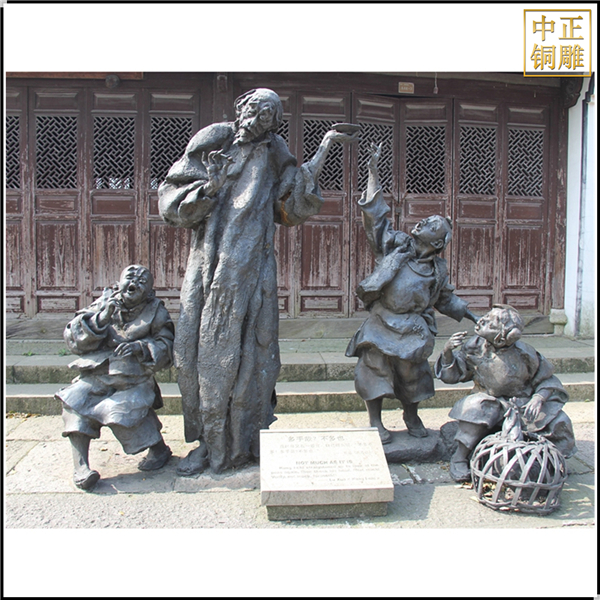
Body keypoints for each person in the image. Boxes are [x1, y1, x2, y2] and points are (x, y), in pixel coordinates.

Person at [158, 88, 358, 475]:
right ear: (240, 108)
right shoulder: (214, 139)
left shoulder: (275, 151)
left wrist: (325, 148)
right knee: (200, 354)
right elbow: (171, 202)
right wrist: (210, 187)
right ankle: (208, 444)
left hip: (254, 270)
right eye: (253, 110)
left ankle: (247, 440)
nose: (256, 119)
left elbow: (290, 203)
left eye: (267, 115)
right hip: (210, 268)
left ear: (274, 124)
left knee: (255, 357)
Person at [346, 143, 478, 445]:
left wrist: (472, 315)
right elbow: (376, 219)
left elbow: (445, 298)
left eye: (431, 225)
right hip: (381, 322)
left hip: (414, 328)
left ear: (437, 243)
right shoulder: (395, 246)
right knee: (373, 368)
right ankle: (375, 422)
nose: (422, 222)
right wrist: (373, 172)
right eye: (425, 220)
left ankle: (411, 415)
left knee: (413, 374)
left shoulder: (437, 270)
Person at [56, 265, 174, 490]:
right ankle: (81, 467)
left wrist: (141, 347)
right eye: (130, 277)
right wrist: (101, 319)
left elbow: (167, 345)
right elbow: (72, 336)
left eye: (142, 281)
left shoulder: (156, 311)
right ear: (119, 283)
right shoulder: (104, 302)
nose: (134, 283)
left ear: (150, 292)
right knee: (75, 401)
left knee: (119, 410)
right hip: (97, 374)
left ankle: (159, 450)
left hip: (133, 378)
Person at [435, 304, 577, 482]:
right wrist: (448, 352)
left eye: (490, 323)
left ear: (502, 338)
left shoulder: (526, 353)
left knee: (560, 420)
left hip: (522, 404)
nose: (481, 320)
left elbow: (547, 379)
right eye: (486, 316)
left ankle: (555, 460)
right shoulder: (474, 347)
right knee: (472, 409)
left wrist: (538, 398)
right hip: (489, 401)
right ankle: (459, 458)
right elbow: (454, 375)